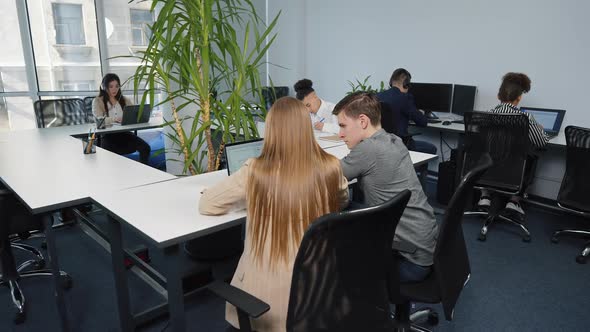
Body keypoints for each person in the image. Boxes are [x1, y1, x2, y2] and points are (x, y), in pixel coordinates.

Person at [199, 97, 349, 331]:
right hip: (321, 292)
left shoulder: (256, 170)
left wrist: (251, 200)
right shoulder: (331, 167)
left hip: (265, 307)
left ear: (271, 131)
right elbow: (342, 199)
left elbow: (207, 204)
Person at [332, 91, 439, 282]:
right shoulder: (393, 139)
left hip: (408, 260)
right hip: (425, 246)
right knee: (349, 207)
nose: (340, 134)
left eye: (343, 126)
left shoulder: (368, 149)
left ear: (363, 121)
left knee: (334, 248)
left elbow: (326, 177)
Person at [476, 72, 548, 222]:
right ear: (519, 97)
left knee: (485, 154)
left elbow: (479, 145)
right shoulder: (525, 118)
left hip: (488, 169)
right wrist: (540, 129)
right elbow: (541, 142)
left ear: (499, 96)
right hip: (513, 172)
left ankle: (485, 197)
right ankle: (513, 201)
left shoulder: (485, 117)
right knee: (532, 157)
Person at [92, 73, 151, 165]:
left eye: (117, 86)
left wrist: (140, 116)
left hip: (124, 134)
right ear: (104, 87)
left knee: (145, 148)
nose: (114, 89)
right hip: (108, 136)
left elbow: (134, 114)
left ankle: (144, 173)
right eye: (111, 86)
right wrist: (114, 119)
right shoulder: (98, 101)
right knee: (111, 158)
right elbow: (99, 120)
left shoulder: (125, 100)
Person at [376, 68, 437, 154]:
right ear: (406, 84)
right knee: (431, 148)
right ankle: (413, 167)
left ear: (391, 82)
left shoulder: (377, 96)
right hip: (400, 143)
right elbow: (423, 122)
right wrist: (420, 113)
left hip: (381, 143)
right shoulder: (405, 98)